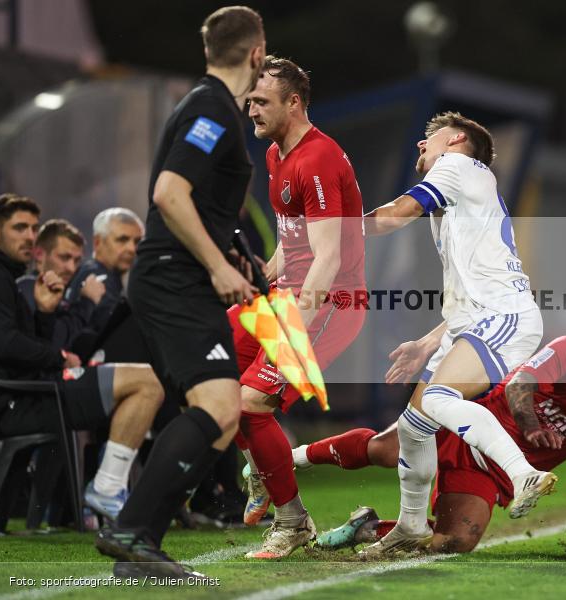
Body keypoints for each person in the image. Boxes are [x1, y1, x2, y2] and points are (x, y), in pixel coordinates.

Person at [314, 299, 566, 556]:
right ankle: (289, 461)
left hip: (492, 474)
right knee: (384, 450)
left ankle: (368, 527)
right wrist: (529, 424)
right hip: (467, 424)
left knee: (456, 541)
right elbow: (519, 384)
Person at [94, 6, 265, 579]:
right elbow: (170, 193)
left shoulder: (215, 109)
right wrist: (218, 267)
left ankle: (140, 543)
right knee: (218, 408)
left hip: (182, 277)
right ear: (257, 53)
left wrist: (235, 257)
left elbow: (201, 203)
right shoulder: (212, 107)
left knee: (218, 417)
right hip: (175, 278)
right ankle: (130, 529)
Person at [342, 111, 552, 555]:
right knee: (415, 427)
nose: (421, 146)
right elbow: (469, 294)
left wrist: (328, 232)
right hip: (480, 319)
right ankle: (411, 526)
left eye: (428, 138)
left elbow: (397, 214)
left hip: (503, 317)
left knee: (438, 400)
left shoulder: (456, 167)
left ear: (455, 140)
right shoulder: (463, 195)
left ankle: (521, 474)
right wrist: (427, 342)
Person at [225, 55, 366, 558]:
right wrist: (267, 270)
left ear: (294, 102)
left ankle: (292, 523)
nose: (251, 110)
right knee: (215, 364)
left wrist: (294, 328)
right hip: (289, 293)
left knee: (250, 402)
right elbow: (296, 234)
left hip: (329, 302)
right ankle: (263, 470)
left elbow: (328, 258)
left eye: (261, 102)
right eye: (250, 100)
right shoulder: (276, 154)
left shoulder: (319, 158)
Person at [0, 194, 164, 526]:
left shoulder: (8, 276)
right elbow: (3, 343)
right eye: (19, 228)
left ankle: (106, 491)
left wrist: (43, 315)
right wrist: (58, 357)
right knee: (147, 383)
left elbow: (22, 343)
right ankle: (107, 488)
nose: (29, 235)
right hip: (20, 400)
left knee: (148, 382)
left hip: (30, 393)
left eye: (32, 227)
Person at [16, 219, 107, 349]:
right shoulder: (27, 288)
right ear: (39, 254)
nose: (71, 268)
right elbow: (55, 341)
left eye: (76, 260)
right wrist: (87, 302)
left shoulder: (65, 295)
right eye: (64, 257)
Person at [65, 207, 144, 331]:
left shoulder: (96, 274)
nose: (132, 249)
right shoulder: (97, 278)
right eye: (122, 240)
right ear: (97, 243)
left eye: (137, 241)